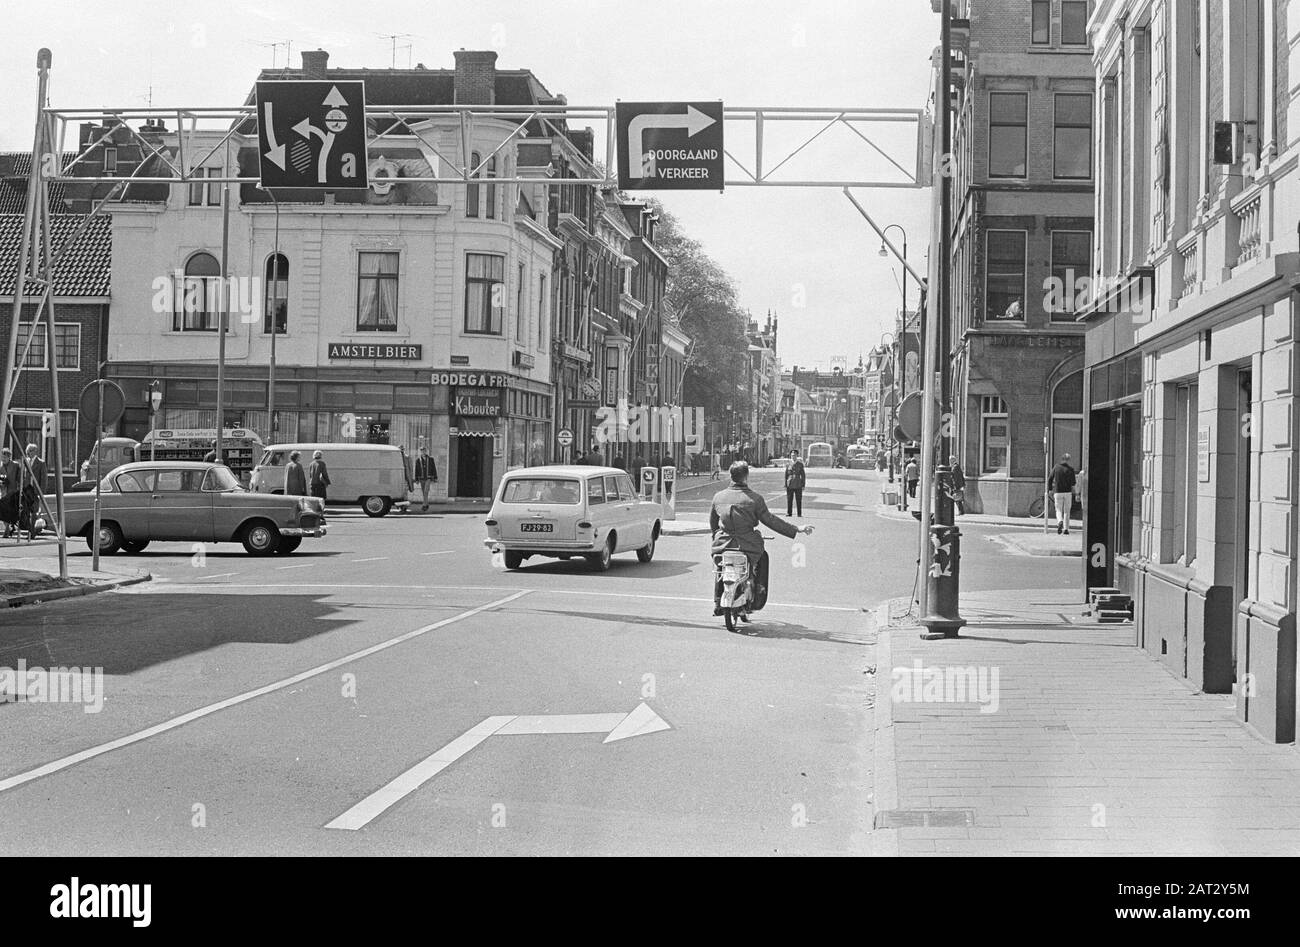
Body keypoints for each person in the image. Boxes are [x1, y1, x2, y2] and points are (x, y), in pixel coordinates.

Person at [709, 461, 813, 616]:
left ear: (731, 476)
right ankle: (758, 594)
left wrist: (716, 536)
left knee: (721, 566)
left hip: (722, 544)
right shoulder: (754, 499)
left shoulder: (718, 497)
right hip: (747, 544)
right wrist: (796, 529)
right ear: (746, 478)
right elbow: (770, 520)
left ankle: (717, 600)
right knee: (762, 558)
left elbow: (713, 522)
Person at [1048, 453, 1078, 535]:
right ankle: (1066, 529)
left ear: (1061, 459)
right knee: (1067, 511)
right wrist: (1075, 492)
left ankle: (1060, 521)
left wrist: (1050, 489)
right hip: (1068, 492)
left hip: (1057, 492)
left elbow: (1050, 478)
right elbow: (1073, 483)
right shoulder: (1071, 469)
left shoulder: (1056, 467)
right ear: (1068, 460)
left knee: (1058, 509)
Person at [0, 447, 20, 538]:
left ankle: (8, 529)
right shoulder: (0, 466)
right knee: (3, 512)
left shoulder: (15, 465)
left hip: (12, 492)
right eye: (2, 457)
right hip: (3, 492)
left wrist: (20, 489)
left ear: (9, 457)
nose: (3, 459)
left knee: (10, 511)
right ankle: (7, 528)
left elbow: (20, 478)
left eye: (4, 457)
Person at [413, 445, 438, 511]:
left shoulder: (430, 459)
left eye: (424, 451)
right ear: (420, 452)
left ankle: (424, 505)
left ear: (426, 451)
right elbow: (416, 470)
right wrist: (416, 479)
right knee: (423, 492)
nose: (423, 452)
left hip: (428, 477)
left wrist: (435, 477)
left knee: (426, 491)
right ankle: (427, 504)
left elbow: (433, 468)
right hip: (421, 478)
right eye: (421, 451)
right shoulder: (418, 460)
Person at [784, 449, 806, 517]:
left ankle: (799, 513)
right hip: (790, 483)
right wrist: (785, 484)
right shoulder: (788, 464)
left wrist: (803, 485)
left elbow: (803, 475)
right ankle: (789, 512)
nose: (793, 456)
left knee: (798, 499)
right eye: (792, 455)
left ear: (797, 456)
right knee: (789, 499)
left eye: (794, 455)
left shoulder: (800, 464)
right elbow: (786, 475)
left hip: (798, 484)